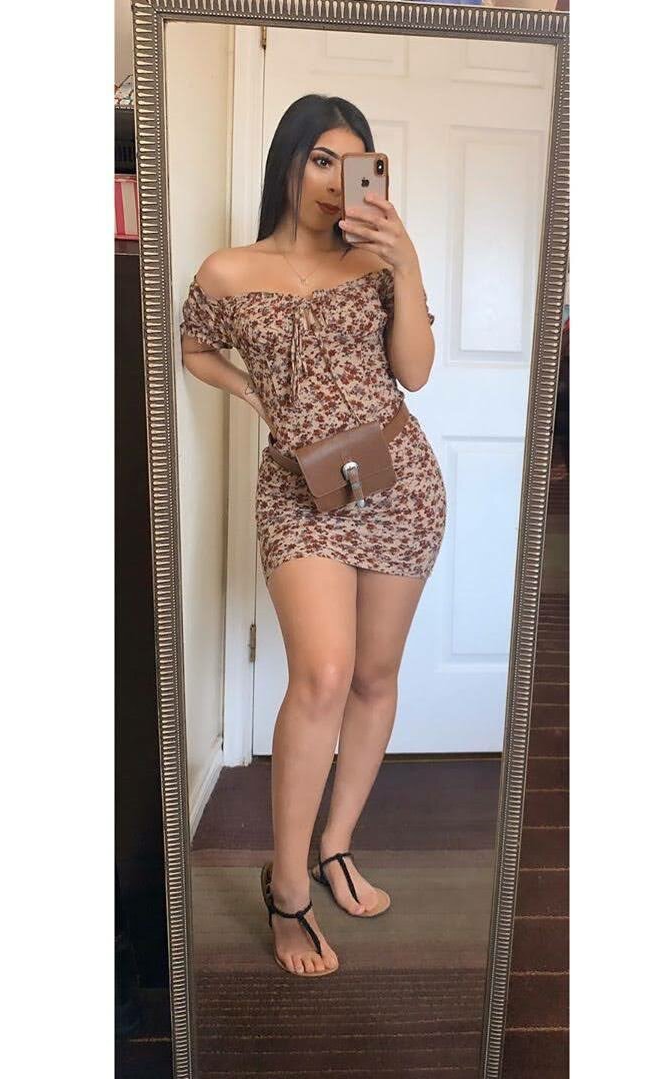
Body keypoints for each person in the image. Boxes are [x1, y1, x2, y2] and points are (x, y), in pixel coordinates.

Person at [179, 94, 447, 978]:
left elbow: (415, 371)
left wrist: (406, 261)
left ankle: (336, 845)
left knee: (374, 676)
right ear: (289, 162)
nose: (337, 181)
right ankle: (287, 885)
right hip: (299, 490)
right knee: (323, 674)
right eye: (321, 159)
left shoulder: (378, 262)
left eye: (355, 162)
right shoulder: (228, 271)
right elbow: (194, 348)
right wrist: (253, 393)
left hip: (399, 482)